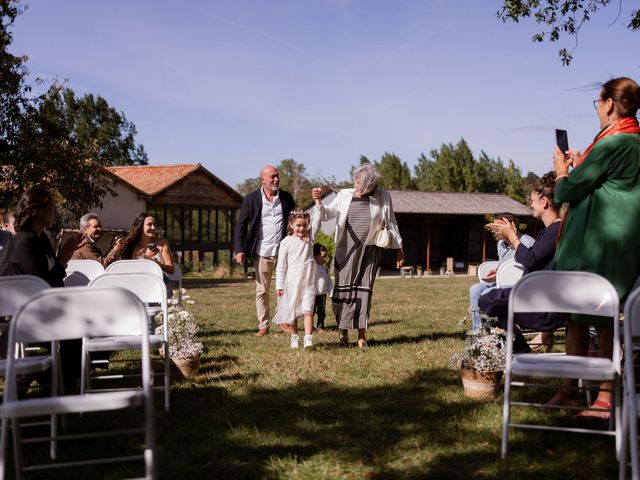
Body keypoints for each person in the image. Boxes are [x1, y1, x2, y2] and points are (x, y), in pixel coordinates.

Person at [548, 77, 640, 416]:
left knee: (598, 317)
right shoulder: (630, 140)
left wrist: (561, 173)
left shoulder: (613, 145)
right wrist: (583, 162)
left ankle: (602, 398)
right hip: (614, 239)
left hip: (603, 242)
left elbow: (567, 193)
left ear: (610, 105)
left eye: (597, 103)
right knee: (577, 314)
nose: (597, 110)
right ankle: (571, 389)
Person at [312, 164, 403, 348]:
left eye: (360, 183)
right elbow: (328, 214)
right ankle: (343, 333)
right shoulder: (345, 195)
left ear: (370, 184)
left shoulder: (382, 196)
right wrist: (318, 203)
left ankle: (361, 336)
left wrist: (399, 249)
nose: (356, 185)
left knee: (364, 293)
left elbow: (391, 222)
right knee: (342, 292)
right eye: (356, 181)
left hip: (369, 251)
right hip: (345, 251)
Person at [0, 186, 80, 390]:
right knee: (76, 332)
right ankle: (59, 385)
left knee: (78, 328)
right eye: (52, 206)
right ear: (38, 210)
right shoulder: (25, 242)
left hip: (41, 307)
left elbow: (50, 282)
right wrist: (62, 261)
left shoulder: (41, 238)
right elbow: (39, 286)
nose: (55, 210)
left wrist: (62, 259)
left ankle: (50, 379)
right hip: (25, 312)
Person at [479, 173, 563, 353]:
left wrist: (513, 237)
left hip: (541, 302)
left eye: (531, 199)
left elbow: (530, 259)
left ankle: (520, 351)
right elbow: (529, 260)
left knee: (491, 307)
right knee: (486, 298)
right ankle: (521, 349)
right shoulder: (548, 231)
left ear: (544, 202)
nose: (530, 203)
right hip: (533, 293)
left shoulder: (555, 230)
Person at [234, 165, 296, 336]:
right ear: (262, 180)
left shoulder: (286, 198)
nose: (276, 179)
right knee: (262, 290)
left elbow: (295, 220)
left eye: (277, 176)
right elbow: (241, 226)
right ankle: (263, 324)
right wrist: (239, 249)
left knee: (286, 287)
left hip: (284, 250)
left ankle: (285, 320)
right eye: (272, 177)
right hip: (262, 251)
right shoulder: (251, 199)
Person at [468, 213, 535, 332]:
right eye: (493, 227)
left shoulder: (526, 241)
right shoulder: (500, 243)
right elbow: (503, 263)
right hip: (502, 281)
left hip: (519, 284)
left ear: (511, 226)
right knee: (475, 289)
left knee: (487, 292)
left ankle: (495, 328)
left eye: (497, 227)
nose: (494, 231)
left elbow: (529, 265)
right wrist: (497, 272)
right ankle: (478, 330)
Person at [271, 209, 321, 349]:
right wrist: (279, 286)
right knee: (292, 310)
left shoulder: (310, 238)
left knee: (308, 309)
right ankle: (294, 336)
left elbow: (317, 222)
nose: (301, 229)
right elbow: (280, 266)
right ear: (291, 224)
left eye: (304, 226)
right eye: (298, 225)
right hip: (292, 280)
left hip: (308, 280)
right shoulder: (286, 242)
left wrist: (317, 204)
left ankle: (308, 339)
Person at [313, 243, 332, 333]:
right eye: (322, 257)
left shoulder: (325, 269)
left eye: (325, 257)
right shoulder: (312, 268)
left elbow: (328, 282)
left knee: (321, 312)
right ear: (315, 256)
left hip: (322, 295)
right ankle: (310, 326)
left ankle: (320, 326)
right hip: (312, 294)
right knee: (310, 312)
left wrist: (331, 292)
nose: (325, 259)